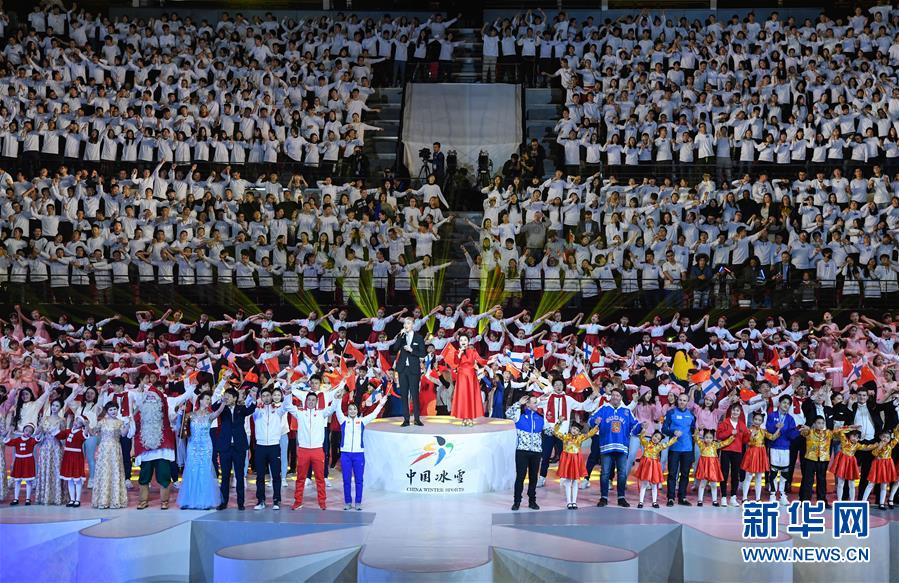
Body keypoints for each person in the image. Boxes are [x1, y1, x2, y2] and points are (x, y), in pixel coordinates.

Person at [131, 380, 196, 510]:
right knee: (144, 476)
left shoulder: (167, 404)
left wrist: (190, 387)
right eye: (148, 399)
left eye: (153, 398)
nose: (150, 401)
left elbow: (183, 397)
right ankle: (143, 500)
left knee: (164, 475)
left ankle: (164, 501)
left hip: (162, 448)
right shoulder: (140, 409)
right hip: (145, 448)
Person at [290, 383, 342, 510]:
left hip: (317, 450)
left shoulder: (321, 413)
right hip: (303, 450)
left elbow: (332, 408)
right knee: (300, 478)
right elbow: (288, 406)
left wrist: (336, 398)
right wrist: (287, 395)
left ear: (317, 402)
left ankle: (322, 502)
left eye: (313, 400)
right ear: (306, 401)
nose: (311, 402)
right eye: (309, 400)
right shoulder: (300, 413)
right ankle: (298, 501)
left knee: (320, 478)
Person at [335, 393, 388, 510]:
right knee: (346, 480)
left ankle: (358, 502)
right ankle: (348, 502)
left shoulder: (362, 421)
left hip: (358, 455)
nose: (352, 411)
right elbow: (337, 410)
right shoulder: (343, 420)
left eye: (354, 409)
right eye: (350, 409)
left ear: (357, 410)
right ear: (347, 411)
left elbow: (374, 415)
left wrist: (381, 404)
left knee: (359, 480)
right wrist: (338, 399)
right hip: (345, 454)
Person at [588, 388, 641, 507]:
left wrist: (641, 426)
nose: (615, 397)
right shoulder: (603, 408)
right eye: (613, 395)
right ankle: (603, 498)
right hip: (606, 446)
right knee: (605, 473)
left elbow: (635, 427)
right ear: (610, 396)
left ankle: (621, 498)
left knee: (622, 473)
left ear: (621, 398)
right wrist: (595, 421)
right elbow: (590, 421)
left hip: (622, 447)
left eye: (618, 395)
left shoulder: (627, 411)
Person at [177, 391, 226, 510]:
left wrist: (223, 403)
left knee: (204, 470)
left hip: (206, 446)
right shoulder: (190, 415)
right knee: (191, 470)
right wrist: (180, 410)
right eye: (207, 399)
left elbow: (219, 412)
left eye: (209, 399)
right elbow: (182, 428)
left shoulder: (210, 415)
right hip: (193, 446)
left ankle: (204, 501)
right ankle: (188, 501)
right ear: (200, 400)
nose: (209, 401)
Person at [248, 386, 291, 510]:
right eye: (264, 396)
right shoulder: (256, 411)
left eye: (268, 395)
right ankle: (260, 501)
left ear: (271, 397)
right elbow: (248, 406)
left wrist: (288, 394)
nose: (266, 398)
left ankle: (276, 500)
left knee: (276, 475)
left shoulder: (278, 410)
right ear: (261, 397)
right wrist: (252, 396)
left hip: (274, 446)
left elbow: (287, 405)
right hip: (260, 447)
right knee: (260, 476)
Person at [215, 387, 256, 511]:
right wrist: (221, 401)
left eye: (229, 396)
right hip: (225, 447)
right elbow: (213, 407)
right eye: (225, 395)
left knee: (239, 475)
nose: (226, 398)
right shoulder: (222, 408)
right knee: (225, 476)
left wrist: (254, 398)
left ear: (235, 398)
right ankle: (223, 502)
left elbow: (250, 409)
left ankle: (240, 502)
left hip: (239, 447)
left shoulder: (241, 408)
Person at [506, 394, 544, 511]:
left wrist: (559, 423)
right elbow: (508, 413)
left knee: (533, 478)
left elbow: (549, 430)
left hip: (536, 452)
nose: (536, 404)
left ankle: (532, 501)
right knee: (520, 477)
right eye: (534, 402)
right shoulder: (519, 416)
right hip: (522, 451)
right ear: (527, 404)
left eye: (537, 402)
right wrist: (518, 403)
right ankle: (517, 501)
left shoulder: (540, 418)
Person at [91, 403, 131, 510]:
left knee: (114, 472)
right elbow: (93, 432)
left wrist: (128, 425)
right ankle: (102, 500)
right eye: (111, 409)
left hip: (115, 449)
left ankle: (115, 500)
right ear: (107, 411)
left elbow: (123, 434)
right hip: (103, 450)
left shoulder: (119, 422)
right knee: (104, 472)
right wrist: (86, 425)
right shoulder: (102, 422)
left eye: (115, 409)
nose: (113, 411)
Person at [552, 420, 597, 509]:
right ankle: (569, 502)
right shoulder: (565, 436)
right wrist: (559, 422)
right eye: (573, 428)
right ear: (570, 428)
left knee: (575, 481)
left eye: (577, 430)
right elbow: (555, 432)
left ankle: (574, 502)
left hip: (576, 460)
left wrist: (596, 426)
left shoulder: (580, 437)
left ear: (579, 432)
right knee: (568, 481)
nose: (574, 431)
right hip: (567, 459)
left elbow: (589, 434)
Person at [662, 393, 696, 506]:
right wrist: (673, 432)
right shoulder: (671, 413)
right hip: (674, 448)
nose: (682, 402)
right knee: (672, 474)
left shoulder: (691, 415)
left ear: (687, 402)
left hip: (687, 448)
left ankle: (682, 498)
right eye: (680, 400)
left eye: (684, 400)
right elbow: (664, 429)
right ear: (678, 401)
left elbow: (693, 430)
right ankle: (670, 498)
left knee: (685, 474)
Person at [766, 394, 801, 505]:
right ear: (779, 403)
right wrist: (775, 427)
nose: (786, 405)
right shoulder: (772, 415)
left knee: (785, 472)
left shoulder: (790, 419)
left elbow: (792, 435)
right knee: (773, 472)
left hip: (785, 448)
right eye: (784, 402)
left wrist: (799, 431)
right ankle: (772, 494)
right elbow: (768, 429)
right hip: (774, 446)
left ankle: (782, 494)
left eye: (788, 404)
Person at [392, 317, 426, 426]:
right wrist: (400, 336)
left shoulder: (419, 337)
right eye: (405, 323)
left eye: (408, 323)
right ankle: (406, 419)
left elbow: (422, 353)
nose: (406, 325)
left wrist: (412, 350)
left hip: (413, 369)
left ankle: (417, 419)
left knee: (414, 394)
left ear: (413, 325)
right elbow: (395, 348)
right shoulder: (402, 336)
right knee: (404, 394)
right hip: (402, 369)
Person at [741, 412, 782, 503]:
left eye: (759, 420)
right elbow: (747, 442)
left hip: (760, 454)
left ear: (762, 422)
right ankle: (744, 498)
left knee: (759, 477)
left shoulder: (763, 431)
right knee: (748, 476)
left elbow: (772, 437)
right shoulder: (748, 430)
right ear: (753, 420)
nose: (757, 421)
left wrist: (778, 429)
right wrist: (751, 435)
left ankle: (758, 498)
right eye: (756, 419)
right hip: (752, 453)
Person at [450, 332, 488, 426]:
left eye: (465, 340)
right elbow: (455, 363)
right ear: (459, 342)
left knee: (470, 396)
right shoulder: (457, 352)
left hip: (471, 376)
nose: (463, 341)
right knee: (463, 396)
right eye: (461, 340)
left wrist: (490, 360)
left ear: (468, 342)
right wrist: (459, 354)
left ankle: (470, 417)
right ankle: (464, 418)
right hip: (462, 377)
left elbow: (480, 360)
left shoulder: (473, 351)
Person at [34, 399, 67, 505]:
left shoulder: (62, 420)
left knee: (56, 470)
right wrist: (39, 429)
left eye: (57, 406)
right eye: (53, 405)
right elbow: (37, 433)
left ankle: (56, 496)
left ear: (60, 408)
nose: (54, 407)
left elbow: (63, 436)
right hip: (45, 447)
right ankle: (44, 496)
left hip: (56, 447)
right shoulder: (44, 418)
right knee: (45, 469)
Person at [634, 429, 677, 509]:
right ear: (652, 435)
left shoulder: (659, 446)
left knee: (654, 484)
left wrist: (675, 437)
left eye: (658, 438)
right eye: (655, 436)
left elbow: (668, 444)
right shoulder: (646, 443)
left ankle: (654, 502)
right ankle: (641, 502)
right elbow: (641, 437)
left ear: (659, 441)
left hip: (654, 466)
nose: (656, 438)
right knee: (644, 484)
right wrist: (643, 430)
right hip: (646, 466)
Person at [830, 429, 875, 501]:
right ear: (849, 435)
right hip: (842, 463)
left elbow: (866, 447)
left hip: (851, 464)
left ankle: (852, 500)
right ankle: (839, 500)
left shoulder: (857, 445)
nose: (855, 439)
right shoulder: (844, 440)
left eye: (857, 438)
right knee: (841, 483)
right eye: (854, 436)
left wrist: (876, 445)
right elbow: (841, 431)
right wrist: (850, 428)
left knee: (852, 484)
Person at [860, 428, 899, 510]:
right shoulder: (877, 444)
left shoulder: (890, 445)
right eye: (884, 437)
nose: (885, 439)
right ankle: (863, 501)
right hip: (877, 465)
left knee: (884, 485)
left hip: (886, 466)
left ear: (890, 439)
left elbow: (897, 438)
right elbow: (874, 453)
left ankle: (881, 503)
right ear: (880, 437)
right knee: (871, 483)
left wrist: (896, 429)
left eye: (888, 437)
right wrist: (880, 446)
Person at [694, 429, 734, 507]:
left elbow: (724, 443)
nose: (708, 439)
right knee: (702, 483)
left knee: (714, 484)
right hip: (704, 467)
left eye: (710, 438)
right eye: (706, 437)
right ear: (703, 437)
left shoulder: (715, 445)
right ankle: (700, 500)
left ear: (713, 438)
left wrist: (732, 436)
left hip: (713, 467)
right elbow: (695, 437)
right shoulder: (701, 444)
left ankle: (714, 501)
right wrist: (698, 430)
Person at [57, 417, 89, 507]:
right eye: (76, 420)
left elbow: (86, 434)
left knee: (77, 479)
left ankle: (77, 500)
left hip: (77, 457)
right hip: (67, 456)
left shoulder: (81, 432)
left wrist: (87, 426)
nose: (76, 423)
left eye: (79, 422)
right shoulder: (67, 431)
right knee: (69, 479)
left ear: (82, 425)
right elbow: (59, 435)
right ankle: (72, 499)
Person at [5, 423, 38, 505]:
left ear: (32, 433)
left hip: (28, 462)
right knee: (17, 481)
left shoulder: (32, 440)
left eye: (30, 432)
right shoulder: (17, 440)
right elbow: (7, 442)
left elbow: (38, 438)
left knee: (28, 481)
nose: (27, 432)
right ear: (23, 430)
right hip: (18, 462)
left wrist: (40, 428)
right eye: (26, 430)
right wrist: (10, 431)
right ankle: (16, 499)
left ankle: (28, 499)